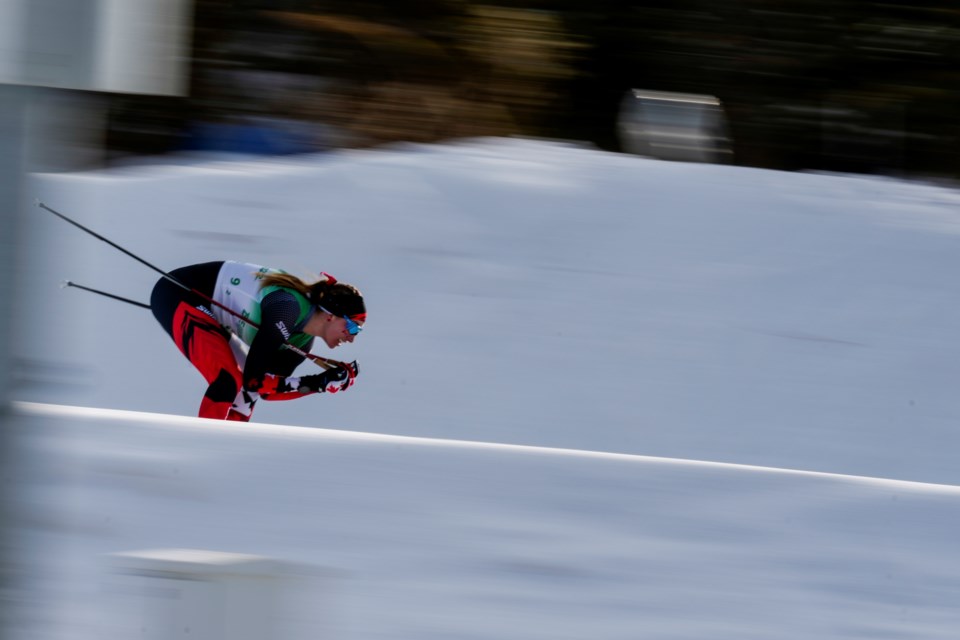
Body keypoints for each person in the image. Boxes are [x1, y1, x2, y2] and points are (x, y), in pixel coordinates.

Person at [150, 261, 365, 421]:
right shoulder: (287, 308)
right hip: (178, 293)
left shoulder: (302, 341)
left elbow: (265, 390)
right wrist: (318, 382)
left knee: (246, 392)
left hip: (211, 311)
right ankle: (204, 443)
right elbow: (254, 378)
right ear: (331, 315)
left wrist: (321, 384)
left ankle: (226, 448)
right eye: (353, 326)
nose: (352, 337)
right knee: (228, 380)